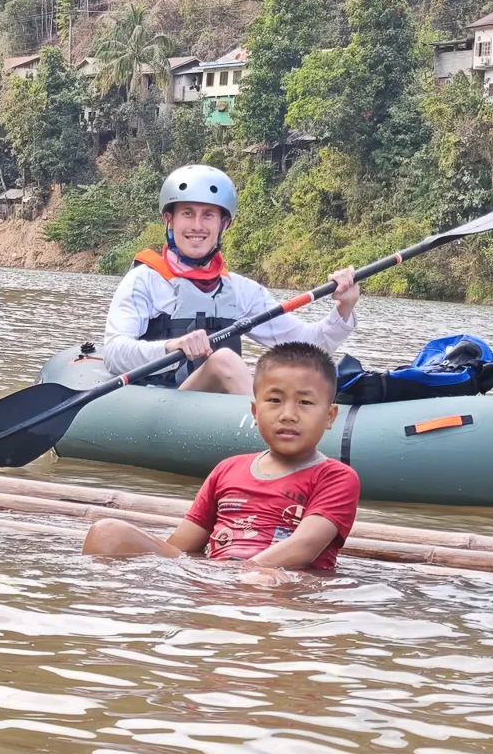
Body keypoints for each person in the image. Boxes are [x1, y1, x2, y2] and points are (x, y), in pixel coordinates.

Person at [82, 342, 359, 576]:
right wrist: (177, 572)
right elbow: (183, 545)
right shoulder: (229, 468)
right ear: (254, 410)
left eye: (305, 402)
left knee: (258, 581)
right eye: (274, 400)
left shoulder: (336, 477)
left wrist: (238, 575)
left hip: (277, 580)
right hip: (215, 574)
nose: (288, 414)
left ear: (329, 417)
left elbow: (305, 546)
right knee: (107, 532)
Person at [101, 164, 358, 395]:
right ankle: (276, 436)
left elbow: (307, 347)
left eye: (208, 215)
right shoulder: (144, 281)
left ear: (224, 224)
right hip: (158, 403)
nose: (197, 226)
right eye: (188, 213)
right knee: (224, 360)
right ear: (169, 219)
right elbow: (114, 353)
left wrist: (343, 309)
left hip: (217, 412)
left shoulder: (241, 290)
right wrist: (172, 346)